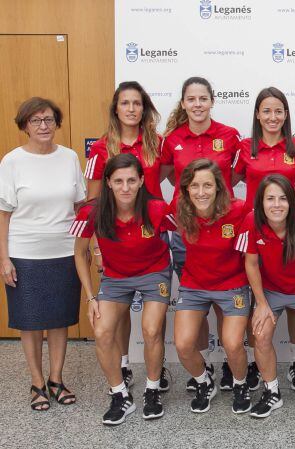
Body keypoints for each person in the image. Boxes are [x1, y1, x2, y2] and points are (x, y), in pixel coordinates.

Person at [160, 77, 255, 391]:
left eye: (203, 98)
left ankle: (233, 363)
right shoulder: (172, 138)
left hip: (224, 230)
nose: (197, 105)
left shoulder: (229, 136)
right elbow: (168, 177)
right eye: (191, 99)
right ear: (184, 103)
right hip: (187, 230)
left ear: (212, 101)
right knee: (196, 301)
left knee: (225, 297)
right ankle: (205, 367)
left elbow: (239, 175)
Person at [72, 154, 175, 425]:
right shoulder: (91, 211)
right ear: (108, 183)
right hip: (115, 278)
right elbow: (79, 253)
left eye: (131, 180)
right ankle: (120, 395)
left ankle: (152, 390)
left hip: (154, 272)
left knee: (152, 329)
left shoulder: (157, 209)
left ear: (142, 181)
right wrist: (90, 296)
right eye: (118, 181)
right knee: (102, 331)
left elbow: (186, 230)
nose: (125, 187)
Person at [83, 81, 170, 392]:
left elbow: (161, 183)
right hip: (114, 242)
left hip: (151, 237)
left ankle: (154, 373)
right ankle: (122, 364)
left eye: (137, 103)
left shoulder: (158, 142)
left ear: (144, 108)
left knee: (151, 325)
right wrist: (97, 250)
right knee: (115, 317)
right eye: (125, 103)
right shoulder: (100, 148)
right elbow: (93, 204)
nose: (132, 109)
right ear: (115, 109)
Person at [0, 97, 85, 410]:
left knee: (60, 319)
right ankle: (36, 383)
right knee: (31, 322)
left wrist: (85, 248)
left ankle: (56, 379)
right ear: (25, 126)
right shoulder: (12, 162)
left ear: (57, 122)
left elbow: (78, 207)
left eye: (49, 119)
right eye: (36, 121)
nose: (43, 126)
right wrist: (4, 258)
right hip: (25, 253)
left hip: (64, 251)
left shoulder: (69, 158)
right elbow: (4, 214)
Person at [236, 174, 295, 420]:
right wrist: (260, 302)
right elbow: (251, 263)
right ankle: (272, 392)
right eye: (270, 199)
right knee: (261, 335)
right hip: (271, 291)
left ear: (292, 201)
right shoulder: (251, 221)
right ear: (261, 202)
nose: (276, 204)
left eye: (282, 198)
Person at [234, 87, 295, 392]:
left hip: (289, 232)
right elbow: (233, 180)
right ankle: (256, 362)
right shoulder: (245, 147)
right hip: (257, 232)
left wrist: (293, 202)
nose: (272, 117)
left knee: (294, 303)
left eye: (278, 111)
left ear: (286, 114)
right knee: (257, 298)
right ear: (257, 114)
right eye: (266, 111)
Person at [172, 159, 251, 414]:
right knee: (184, 345)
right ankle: (204, 382)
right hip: (194, 285)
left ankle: (240, 384)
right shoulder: (181, 211)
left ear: (219, 187)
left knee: (233, 343)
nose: (201, 192)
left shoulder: (239, 211)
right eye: (194, 186)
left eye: (207, 185)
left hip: (233, 285)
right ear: (186, 189)